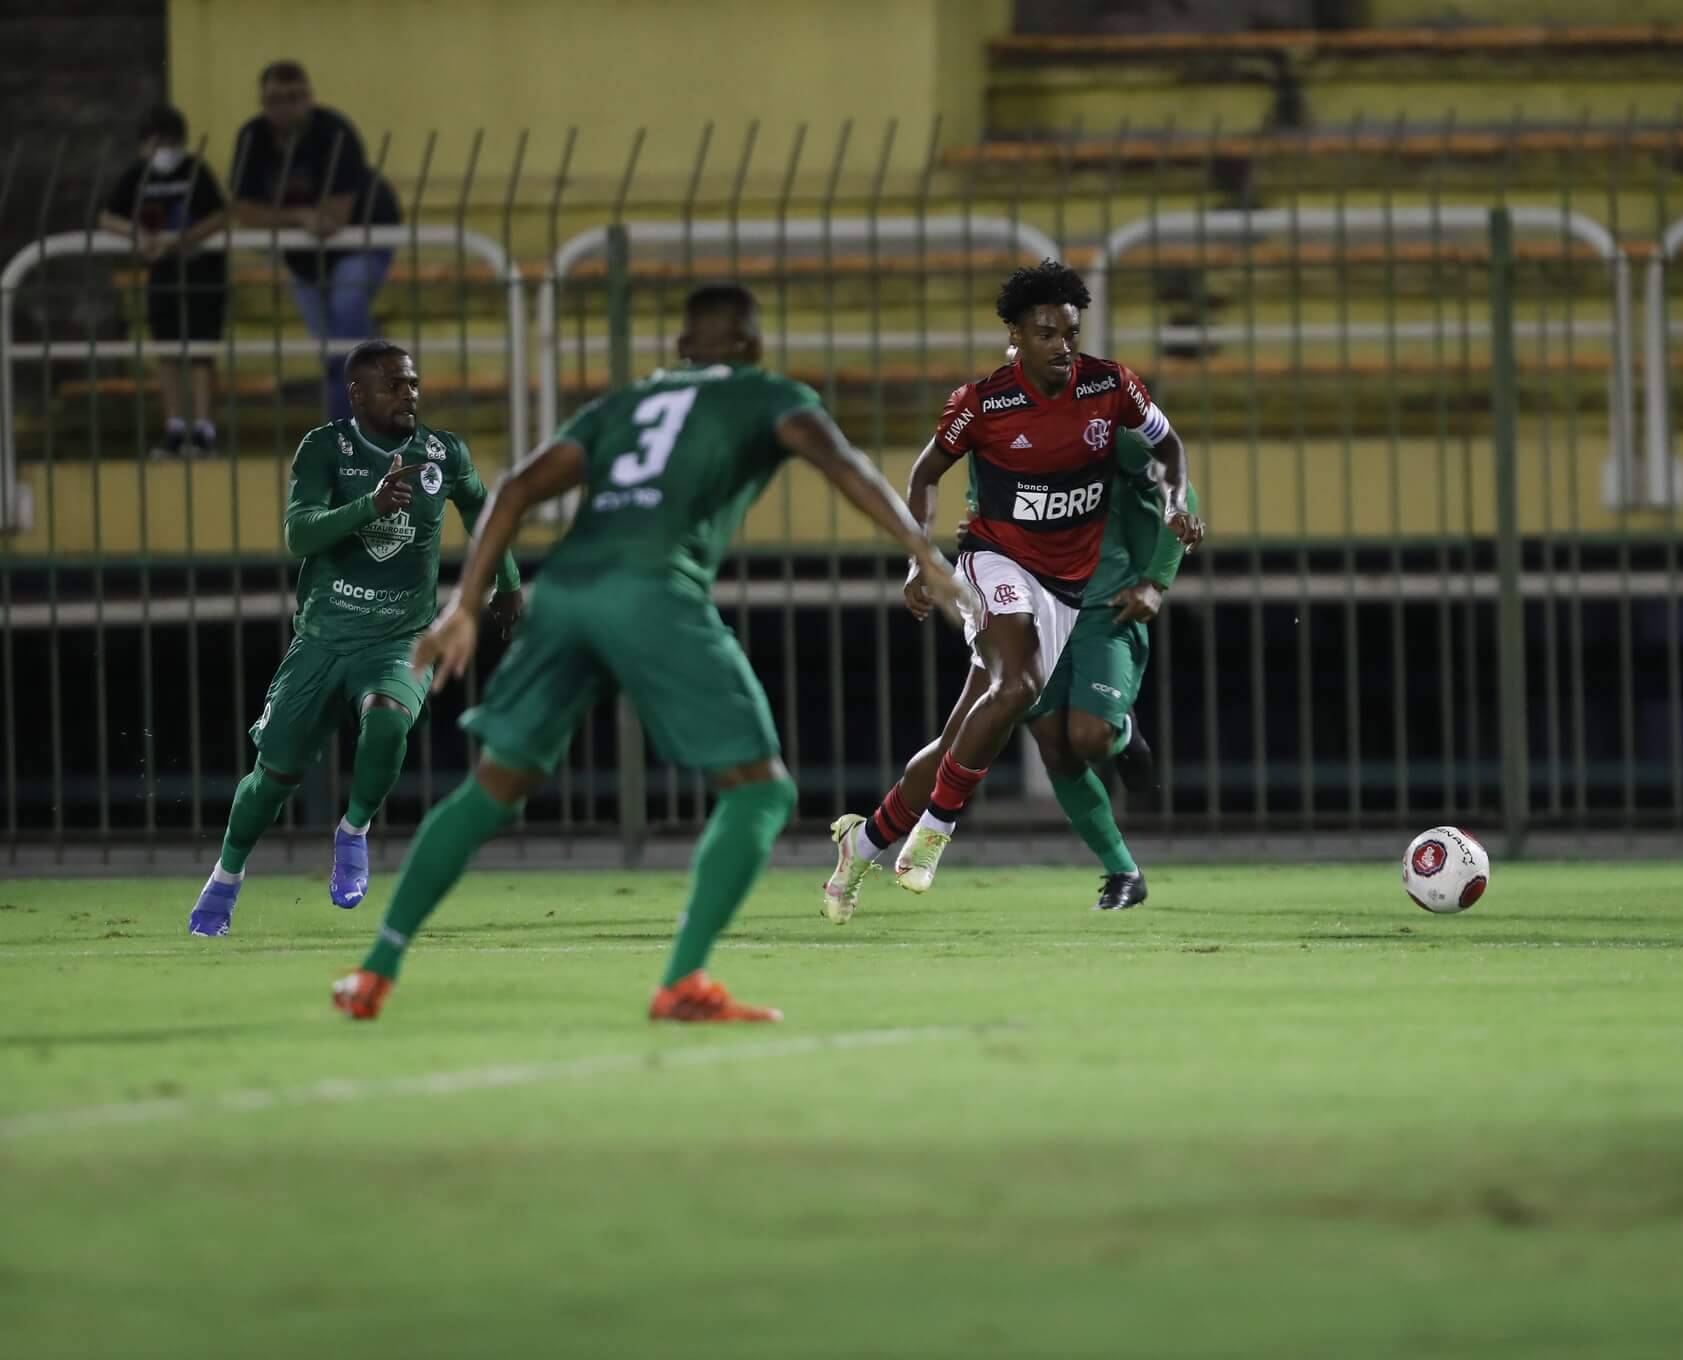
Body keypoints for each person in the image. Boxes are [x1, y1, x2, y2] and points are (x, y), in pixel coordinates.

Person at [329, 284, 972, 1024]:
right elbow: (844, 464)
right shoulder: (767, 394)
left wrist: (463, 606)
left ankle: (375, 969)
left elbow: (515, 486)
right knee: (760, 791)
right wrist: (921, 552)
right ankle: (683, 981)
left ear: (680, 349)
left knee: (491, 787)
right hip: (653, 591)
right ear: (752, 346)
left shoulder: (622, 405)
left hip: (565, 592)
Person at [820, 260, 1197, 916]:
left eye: (1070, 332)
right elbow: (924, 472)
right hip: (992, 563)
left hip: (1067, 590)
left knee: (965, 730)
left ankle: (868, 838)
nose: (1062, 345)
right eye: (1047, 333)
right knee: (1020, 689)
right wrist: (919, 560)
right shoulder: (983, 403)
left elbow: (1168, 450)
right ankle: (933, 832)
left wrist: (1170, 504)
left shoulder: (1110, 389)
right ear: (1015, 337)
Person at [185, 340, 523, 937]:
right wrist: (370, 504)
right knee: (273, 779)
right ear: (358, 393)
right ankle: (226, 877)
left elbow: (483, 513)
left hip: (400, 638)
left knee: (389, 717)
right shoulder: (323, 448)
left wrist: (509, 582)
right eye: (394, 384)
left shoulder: (441, 452)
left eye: (413, 383)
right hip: (322, 639)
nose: (409, 394)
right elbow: (300, 534)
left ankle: (355, 829)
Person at [230, 60, 402, 420]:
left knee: (344, 328)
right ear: (262, 102)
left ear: (309, 97)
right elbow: (244, 211)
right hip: (304, 257)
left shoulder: (334, 132)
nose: (286, 107)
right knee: (331, 345)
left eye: (295, 97)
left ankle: (350, 425)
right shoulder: (253, 138)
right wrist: (298, 218)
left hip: (362, 238)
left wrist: (281, 218)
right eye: (276, 99)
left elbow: (333, 219)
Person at [97, 106, 229, 458]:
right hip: (163, 276)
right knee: (168, 351)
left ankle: (204, 430)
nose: (164, 150)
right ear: (142, 145)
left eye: (171, 142)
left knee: (200, 352)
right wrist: (139, 235)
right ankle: (174, 428)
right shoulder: (136, 176)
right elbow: (108, 217)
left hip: (202, 274)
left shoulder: (194, 172)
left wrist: (184, 238)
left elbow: (219, 215)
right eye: (156, 142)